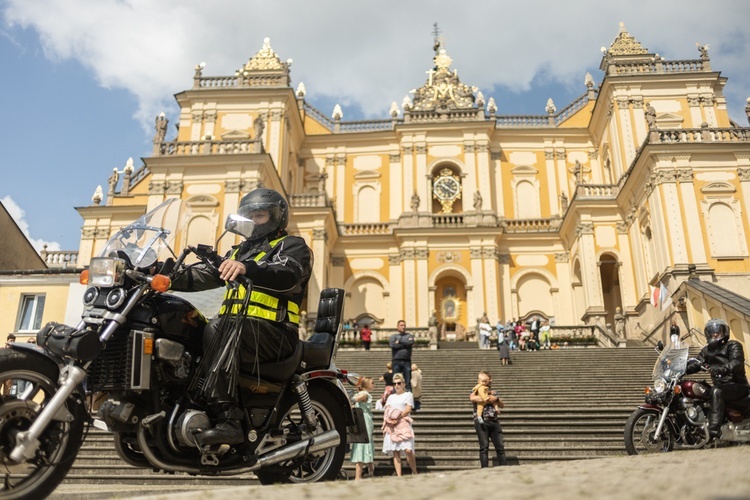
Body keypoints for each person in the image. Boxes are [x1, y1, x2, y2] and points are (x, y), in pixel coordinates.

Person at [170, 188, 312, 446]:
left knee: (218, 329)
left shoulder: (291, 246)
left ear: (276, 218)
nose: (253, 221)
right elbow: (203, 275)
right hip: (237, 331)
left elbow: (288, 273)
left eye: (260, 216)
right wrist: (160, 273)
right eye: (250, 216)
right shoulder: (238, 253)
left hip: (275, 334)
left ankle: (229, 419)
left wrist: (249, 268)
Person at [685, 318, 749, 438]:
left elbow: (736, 362)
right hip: (720, 386)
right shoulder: (707, 350)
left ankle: (713, 429)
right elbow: (697, 362)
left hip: (736, 385)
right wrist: (682, 368)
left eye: (717, 331)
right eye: (711, 331)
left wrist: (722, 369)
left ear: (724, 332)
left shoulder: (733, 345)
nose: (714, 334)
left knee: (716, 391)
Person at [382, 373, 417, 476]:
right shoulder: (391, 397)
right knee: (395, 452)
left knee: (408, 450)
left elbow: (408, 409)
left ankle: (414, 471)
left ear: (403, 384)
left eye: (399, 383)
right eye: (394, 383)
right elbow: (387, 410)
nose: (396, 385)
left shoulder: (408, 395)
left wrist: (397, 417)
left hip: (404, 424)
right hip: (392, 425)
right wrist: (390, 419)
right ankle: (399, 476)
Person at [470, 370, 507, 468]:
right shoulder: (476, 390)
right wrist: (488, 398)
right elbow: (473, 398)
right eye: (488, 379)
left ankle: (503, 467)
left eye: (488, 379)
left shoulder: (494, 392)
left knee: (500, 447)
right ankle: (484, 468)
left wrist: (497, 399)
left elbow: (502, 405)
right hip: (481, 421)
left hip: (494, 421)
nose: (490, 380)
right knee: (484, 447)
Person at [350, 376, 375, 480]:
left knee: (361, 444)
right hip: (362, 420)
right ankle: (370, 469)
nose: (374, 385)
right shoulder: (363, 393)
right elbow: (355, 401)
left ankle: (358, 476)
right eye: (372, 383)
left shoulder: (364, 394)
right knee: (363, 444)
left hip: (363, 420)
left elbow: (354, 399)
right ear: (367, 384)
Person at [390, 320, 415, 390]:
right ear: (397, 327)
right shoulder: (393, 336)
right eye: (401, 325)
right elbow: (393, 345)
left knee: (407, 382)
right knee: (396, 381)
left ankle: (408, 397)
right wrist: (405, 345)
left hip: (406, 361)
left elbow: (411, 342)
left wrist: (400, 342)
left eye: (404, 325)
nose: (403, 327)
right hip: (396, 361)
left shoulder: (409, 335)